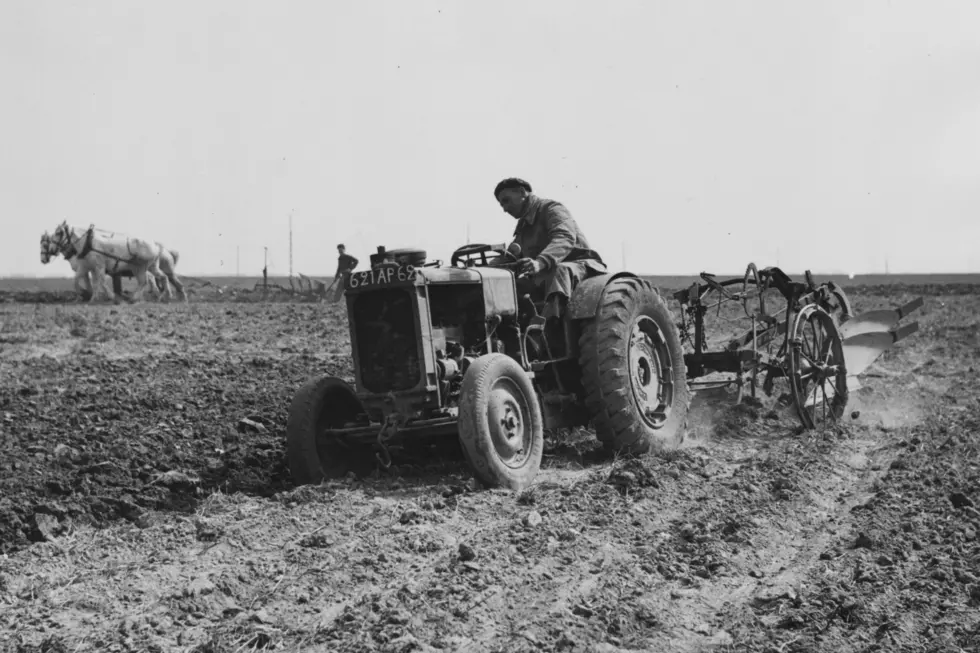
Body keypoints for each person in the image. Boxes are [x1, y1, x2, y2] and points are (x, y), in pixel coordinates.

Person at [494, 177, 606, 320]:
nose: (504, 209)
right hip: (544, 271)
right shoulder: (524, 225)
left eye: (506, 200)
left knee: (559, 271)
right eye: (501, 204)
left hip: (580, 265)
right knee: (512, 286)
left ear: (522, 192)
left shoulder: (551, 209)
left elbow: (564, 237)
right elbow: (512, 254)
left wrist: (540, 262)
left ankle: (551, 328)